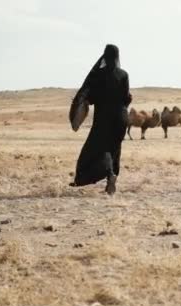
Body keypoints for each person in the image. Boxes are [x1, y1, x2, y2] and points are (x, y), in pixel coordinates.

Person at [69, 44, 132, 194]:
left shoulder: (98, 74)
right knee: (114, 148)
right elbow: (126, 99)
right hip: (122, 118)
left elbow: (91, 98)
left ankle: (108, 175)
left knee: (96, 150)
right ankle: (112, 176)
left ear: (105, 56)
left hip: (104, 118)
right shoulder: (124, 74)